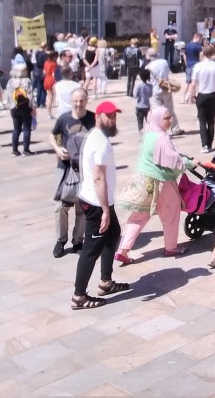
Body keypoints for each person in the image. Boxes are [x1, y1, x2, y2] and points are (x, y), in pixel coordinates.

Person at [115, 107, 195, 264]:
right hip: (162, 182)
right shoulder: (162, 138)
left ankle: (123, 249)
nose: (170, 120)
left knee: (139, 216)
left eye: (170, 117)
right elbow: (173, 162)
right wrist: (190, 163)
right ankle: (171, 247)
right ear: (159, 119)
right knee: (170, 214)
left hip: (144, 180)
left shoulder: (148, 132)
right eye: (166, 118)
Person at [71, 100, 129, 309]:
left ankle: (106, 282)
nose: (112, 120)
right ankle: (79, 296)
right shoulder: (101, 142)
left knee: (113, 234)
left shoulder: (97, 137)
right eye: (108, 116)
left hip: (101, 201)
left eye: (114, 116)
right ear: (98, 117)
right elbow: (98, 178)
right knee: (91, 249)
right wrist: (105, 210)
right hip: (97, 203)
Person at [49, 88, 93, 258]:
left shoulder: (92, 118)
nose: (78, 104)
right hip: (65, 168)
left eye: (81, 100)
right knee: (60, 206)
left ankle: (78, 241)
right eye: (75, 101)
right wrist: (58, 149)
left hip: (84, 169)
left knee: (82, 206)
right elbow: (53, 136)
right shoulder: (64, 118)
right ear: (71, 101)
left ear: (86, 101)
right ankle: (61, 240)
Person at [191, 44, 215, 153]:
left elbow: (193, 83)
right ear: (213, 53)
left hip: (202, 94)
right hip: (213, 94)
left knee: (202, 120)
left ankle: (204, 145)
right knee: (211, 121)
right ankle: (209, 144)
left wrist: (192, 95)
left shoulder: (198, 66)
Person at [6, 53, 36, 155]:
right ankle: (26, 150)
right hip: (25, 107)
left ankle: (14, 150)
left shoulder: (10, 81)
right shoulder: (27, 81)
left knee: (16, 129)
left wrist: (10, 107)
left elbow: (9, 95)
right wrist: (33, 108)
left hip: (14, 107)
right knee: (27, 129)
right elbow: (31, 96)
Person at [132, 67, 152, 131]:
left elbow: (135, 95)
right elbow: (150, 95)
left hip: (139, 106)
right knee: (149, 122)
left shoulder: (138, 86)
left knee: (140, 123)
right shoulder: (150, 86)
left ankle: (141, 136)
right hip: (147, 106)